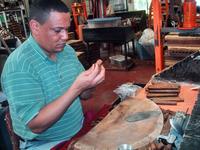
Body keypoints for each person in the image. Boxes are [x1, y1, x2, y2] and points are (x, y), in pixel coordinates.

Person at [1, 0, 105, 149]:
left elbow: (85, 95)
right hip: (44, 144)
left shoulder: (67, 51)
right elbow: (36, 125)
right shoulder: (19, 65)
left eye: (66, 29)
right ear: (35, 27)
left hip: (79, 130)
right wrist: (76, 88)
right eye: (57, 30)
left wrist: (91, 83)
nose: (65, 37)